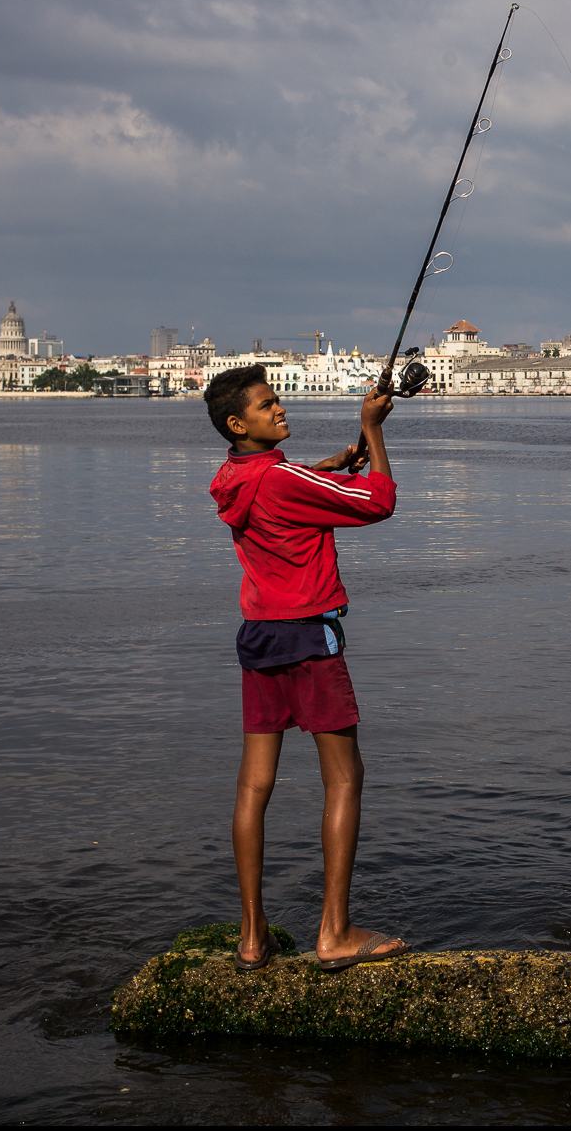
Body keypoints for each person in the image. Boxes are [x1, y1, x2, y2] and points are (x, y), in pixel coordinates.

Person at [205, 364, 410, 973]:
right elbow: (380, 503)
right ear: (238, 423)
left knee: (253, 785)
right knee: (345, 779)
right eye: (268, 406)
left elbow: (278, 484)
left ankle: (250, 937)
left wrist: (326, 465)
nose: (280, 409)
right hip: (310, 640)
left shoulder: (231, 476)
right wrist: (373, 433)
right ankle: (335, 933)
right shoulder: (285, 479)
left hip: (259, 637)